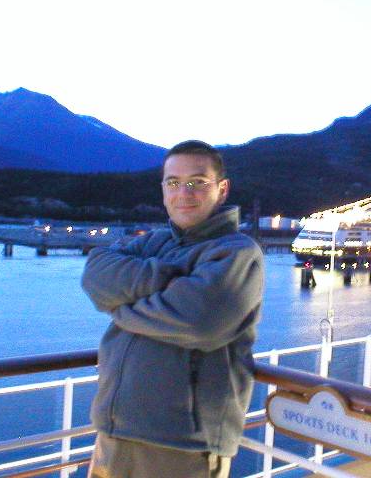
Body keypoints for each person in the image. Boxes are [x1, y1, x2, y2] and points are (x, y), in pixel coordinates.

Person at [81, 140, 264, 478]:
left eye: (198, 182)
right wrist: (168, 279)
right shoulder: (155, 242)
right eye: (173, 182)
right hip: (113, 430)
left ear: (222, 189)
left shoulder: (237, 252)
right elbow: (95, 274)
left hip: (183, 445)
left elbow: (199, 322)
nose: (184, 193)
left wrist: (121, 310)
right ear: (163, 189)